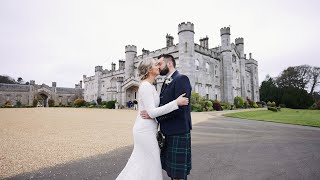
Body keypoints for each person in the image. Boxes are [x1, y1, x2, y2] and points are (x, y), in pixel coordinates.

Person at [116, 57, 189, 180]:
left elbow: (152, 112)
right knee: (152, 163)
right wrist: (176, 103)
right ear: (150, 69)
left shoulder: (150, 86)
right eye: (156, 64)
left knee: (146, 163)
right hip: (144, 131)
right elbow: (152, 112)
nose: (159, 66)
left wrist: (153, 114)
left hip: (148, 129)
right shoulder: (145, 86)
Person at [141, 54, 192, 180]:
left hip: (178, 131)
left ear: (169, 64)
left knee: (178, 175)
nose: (158, 66)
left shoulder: (181, 79)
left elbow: (181, 108)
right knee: (171, 171)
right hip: (168, 132)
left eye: (160, 63)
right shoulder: (166, 81)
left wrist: (156, 117)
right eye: (157, 64)